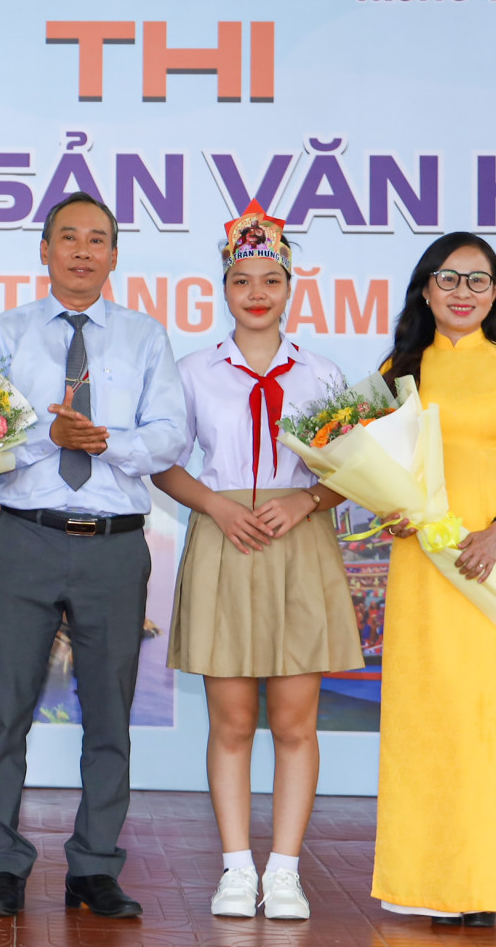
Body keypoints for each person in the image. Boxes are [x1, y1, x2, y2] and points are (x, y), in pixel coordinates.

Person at [0, 191, 186, 920]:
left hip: (115, 548)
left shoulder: (144, 337)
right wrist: (47, 441)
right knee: (5, 713)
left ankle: (94, 866)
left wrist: (109, 445)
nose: (83, 252)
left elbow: (172, 435)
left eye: (98, 240)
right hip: (25, 535)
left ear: (115, 256)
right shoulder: (6, 332)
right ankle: (1, 864)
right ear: (45, 250)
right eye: (69, 238)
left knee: (110, 716)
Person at [150, 202, 362, 921]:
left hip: (297, 544)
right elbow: (164, 466)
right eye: (242, 280)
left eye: (270, 279)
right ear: (224, 287)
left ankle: (287, 869)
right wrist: (215, 505)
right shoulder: (192, 371)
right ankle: (237, 868)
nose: (257, 293)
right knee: (233, 719)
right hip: (226, 540)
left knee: (298, 722)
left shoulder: (322, 373)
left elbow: (354, 468)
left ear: (290, 286)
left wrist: (306, 502)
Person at [373, 234, 496, 929]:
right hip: (423, 563)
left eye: (479, 281)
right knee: (424, 721)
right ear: (425, 289)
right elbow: (382, 466)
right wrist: (390, 509)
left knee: (488, 723)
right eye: (449, 279)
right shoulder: (398, 369)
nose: (463, 292)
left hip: (493, 557)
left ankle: (485, 884)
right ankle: (423, 883)